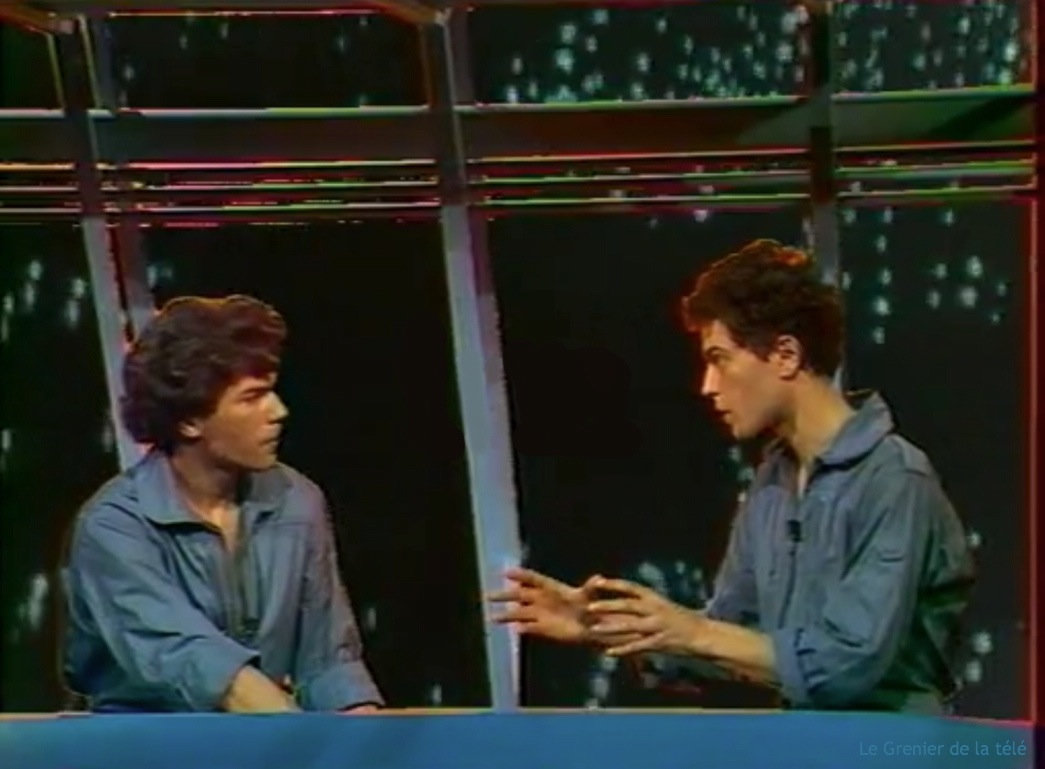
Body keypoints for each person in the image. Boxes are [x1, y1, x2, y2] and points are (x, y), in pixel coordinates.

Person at [490, 239, 975, 713]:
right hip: (803, 747)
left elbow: (844, 666)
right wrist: (605, 625)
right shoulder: (772, 483)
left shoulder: (895, 479)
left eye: (719, 360)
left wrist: (697, 632)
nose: (707, 386)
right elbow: (732, 638)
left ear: (785, 355)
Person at [62, 295, 383, 713]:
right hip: (150, 742)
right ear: (189, 421)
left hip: (273, 734)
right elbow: (201, 666)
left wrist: (365, 735)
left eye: (272, 392)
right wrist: (302, 738)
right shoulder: (115, 526)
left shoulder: (297, 500)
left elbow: (329, 662)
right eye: (253, 397)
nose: (279, 411)